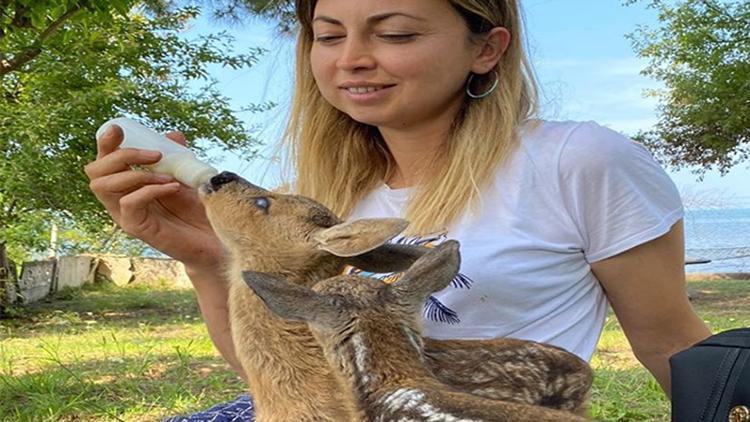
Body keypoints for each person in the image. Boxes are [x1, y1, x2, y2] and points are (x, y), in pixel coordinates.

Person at [85, 0, 712, 420]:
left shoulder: (579, 161)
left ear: (487, 49)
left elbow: (669, 340)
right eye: (328, 35)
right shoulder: (316, 197)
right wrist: (206, 260)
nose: (350, 57)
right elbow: (282, 376)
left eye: (395, 33)